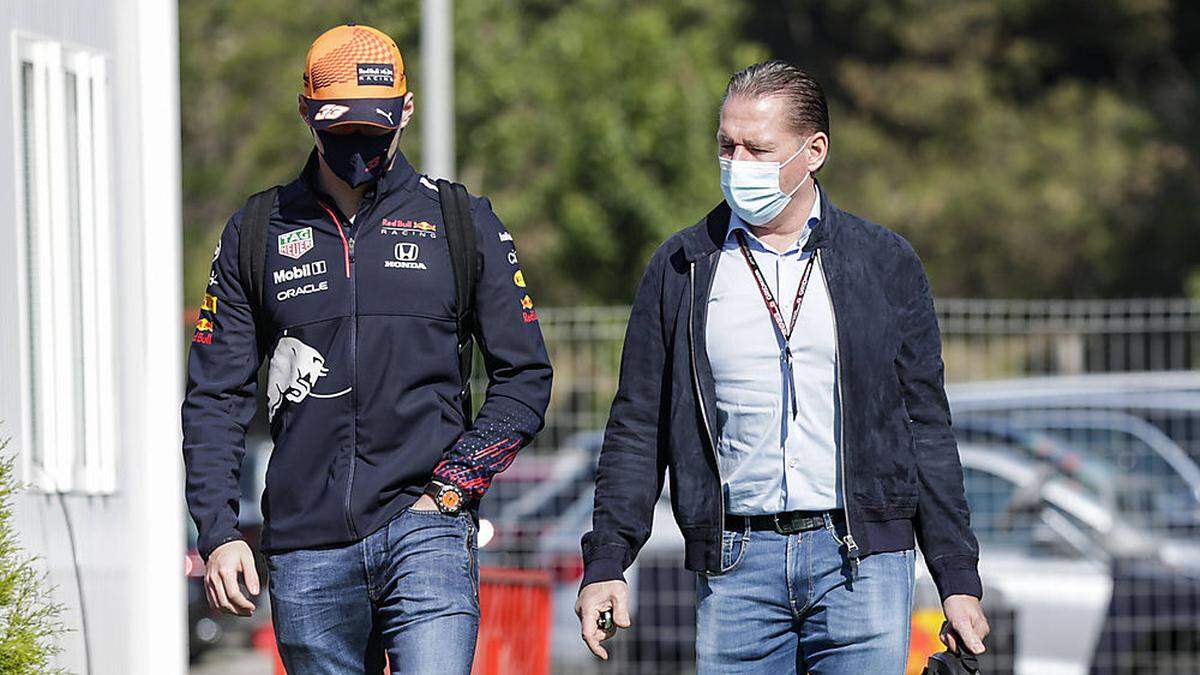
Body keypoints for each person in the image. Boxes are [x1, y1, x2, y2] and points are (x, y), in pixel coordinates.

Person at [576, 60, 988, 673]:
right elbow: (638, 424)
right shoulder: (683, 265)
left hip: (862, 567)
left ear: (814, 150)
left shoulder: (884, 262)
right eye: (726, 145)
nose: (737, 162)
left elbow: (924, 424)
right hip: (736, 565)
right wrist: (608, 561)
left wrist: (956, 576)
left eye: (757, 147)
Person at [182, 23, 552, 674]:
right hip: (306, 546)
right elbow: (216, 394)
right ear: (306, 113)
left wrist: (452, 488)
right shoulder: (256, 232)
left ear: (405, 110)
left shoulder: (462, 222)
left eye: (374, 129)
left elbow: (525, 377)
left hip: (428, 529)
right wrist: (217, 531)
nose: (358, 146)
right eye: (340, 130)